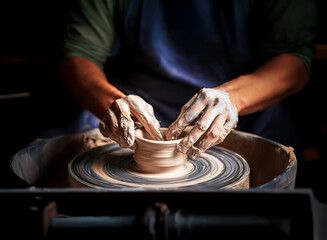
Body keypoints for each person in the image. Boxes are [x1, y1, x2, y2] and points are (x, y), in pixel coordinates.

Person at [60, 0, 317, 159]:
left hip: (241, 106)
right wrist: (113, 103)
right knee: (65, 147)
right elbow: (79, 55)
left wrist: (231, 100)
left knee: (276, 152)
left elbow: (294, 59)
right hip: (137, 111)